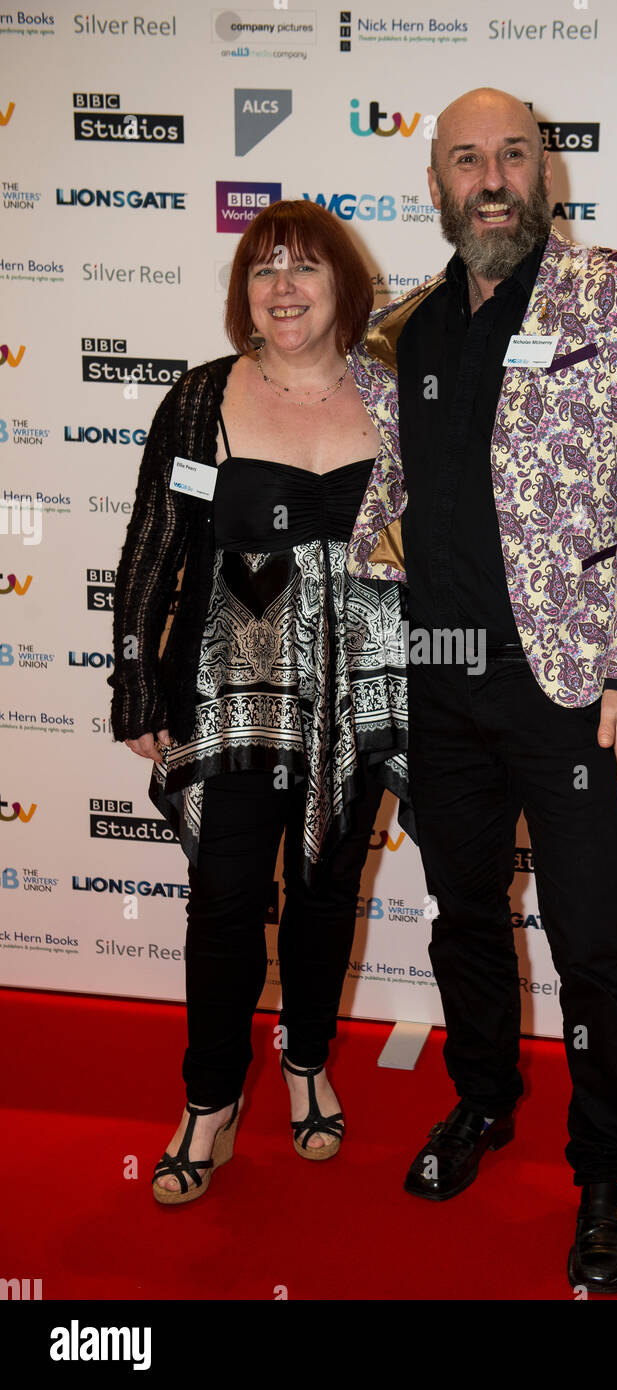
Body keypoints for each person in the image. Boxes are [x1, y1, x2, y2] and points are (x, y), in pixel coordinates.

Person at [346, 88, 617, 1291]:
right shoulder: (401, 332)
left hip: (565, 688)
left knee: (594, 936)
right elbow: (383, 501)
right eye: (466, 160)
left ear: (544, 174)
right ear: (434, 187)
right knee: (462, 916)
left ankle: (604, 1170)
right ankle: (482, 1101)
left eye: (512, 156)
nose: (491, 178)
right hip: (439, 681)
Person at [109, 200, 410, 1205]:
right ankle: (208, 1099)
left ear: (343, 286)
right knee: (226, 901)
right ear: (245, 293)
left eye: (305, 267)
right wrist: (136, 674)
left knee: (328, 894)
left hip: (359, 695)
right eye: (263, 269)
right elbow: (153, 544)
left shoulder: (396, 394)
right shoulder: (203, 399)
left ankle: (307, 1060)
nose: (283, 286)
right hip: (230, 697)